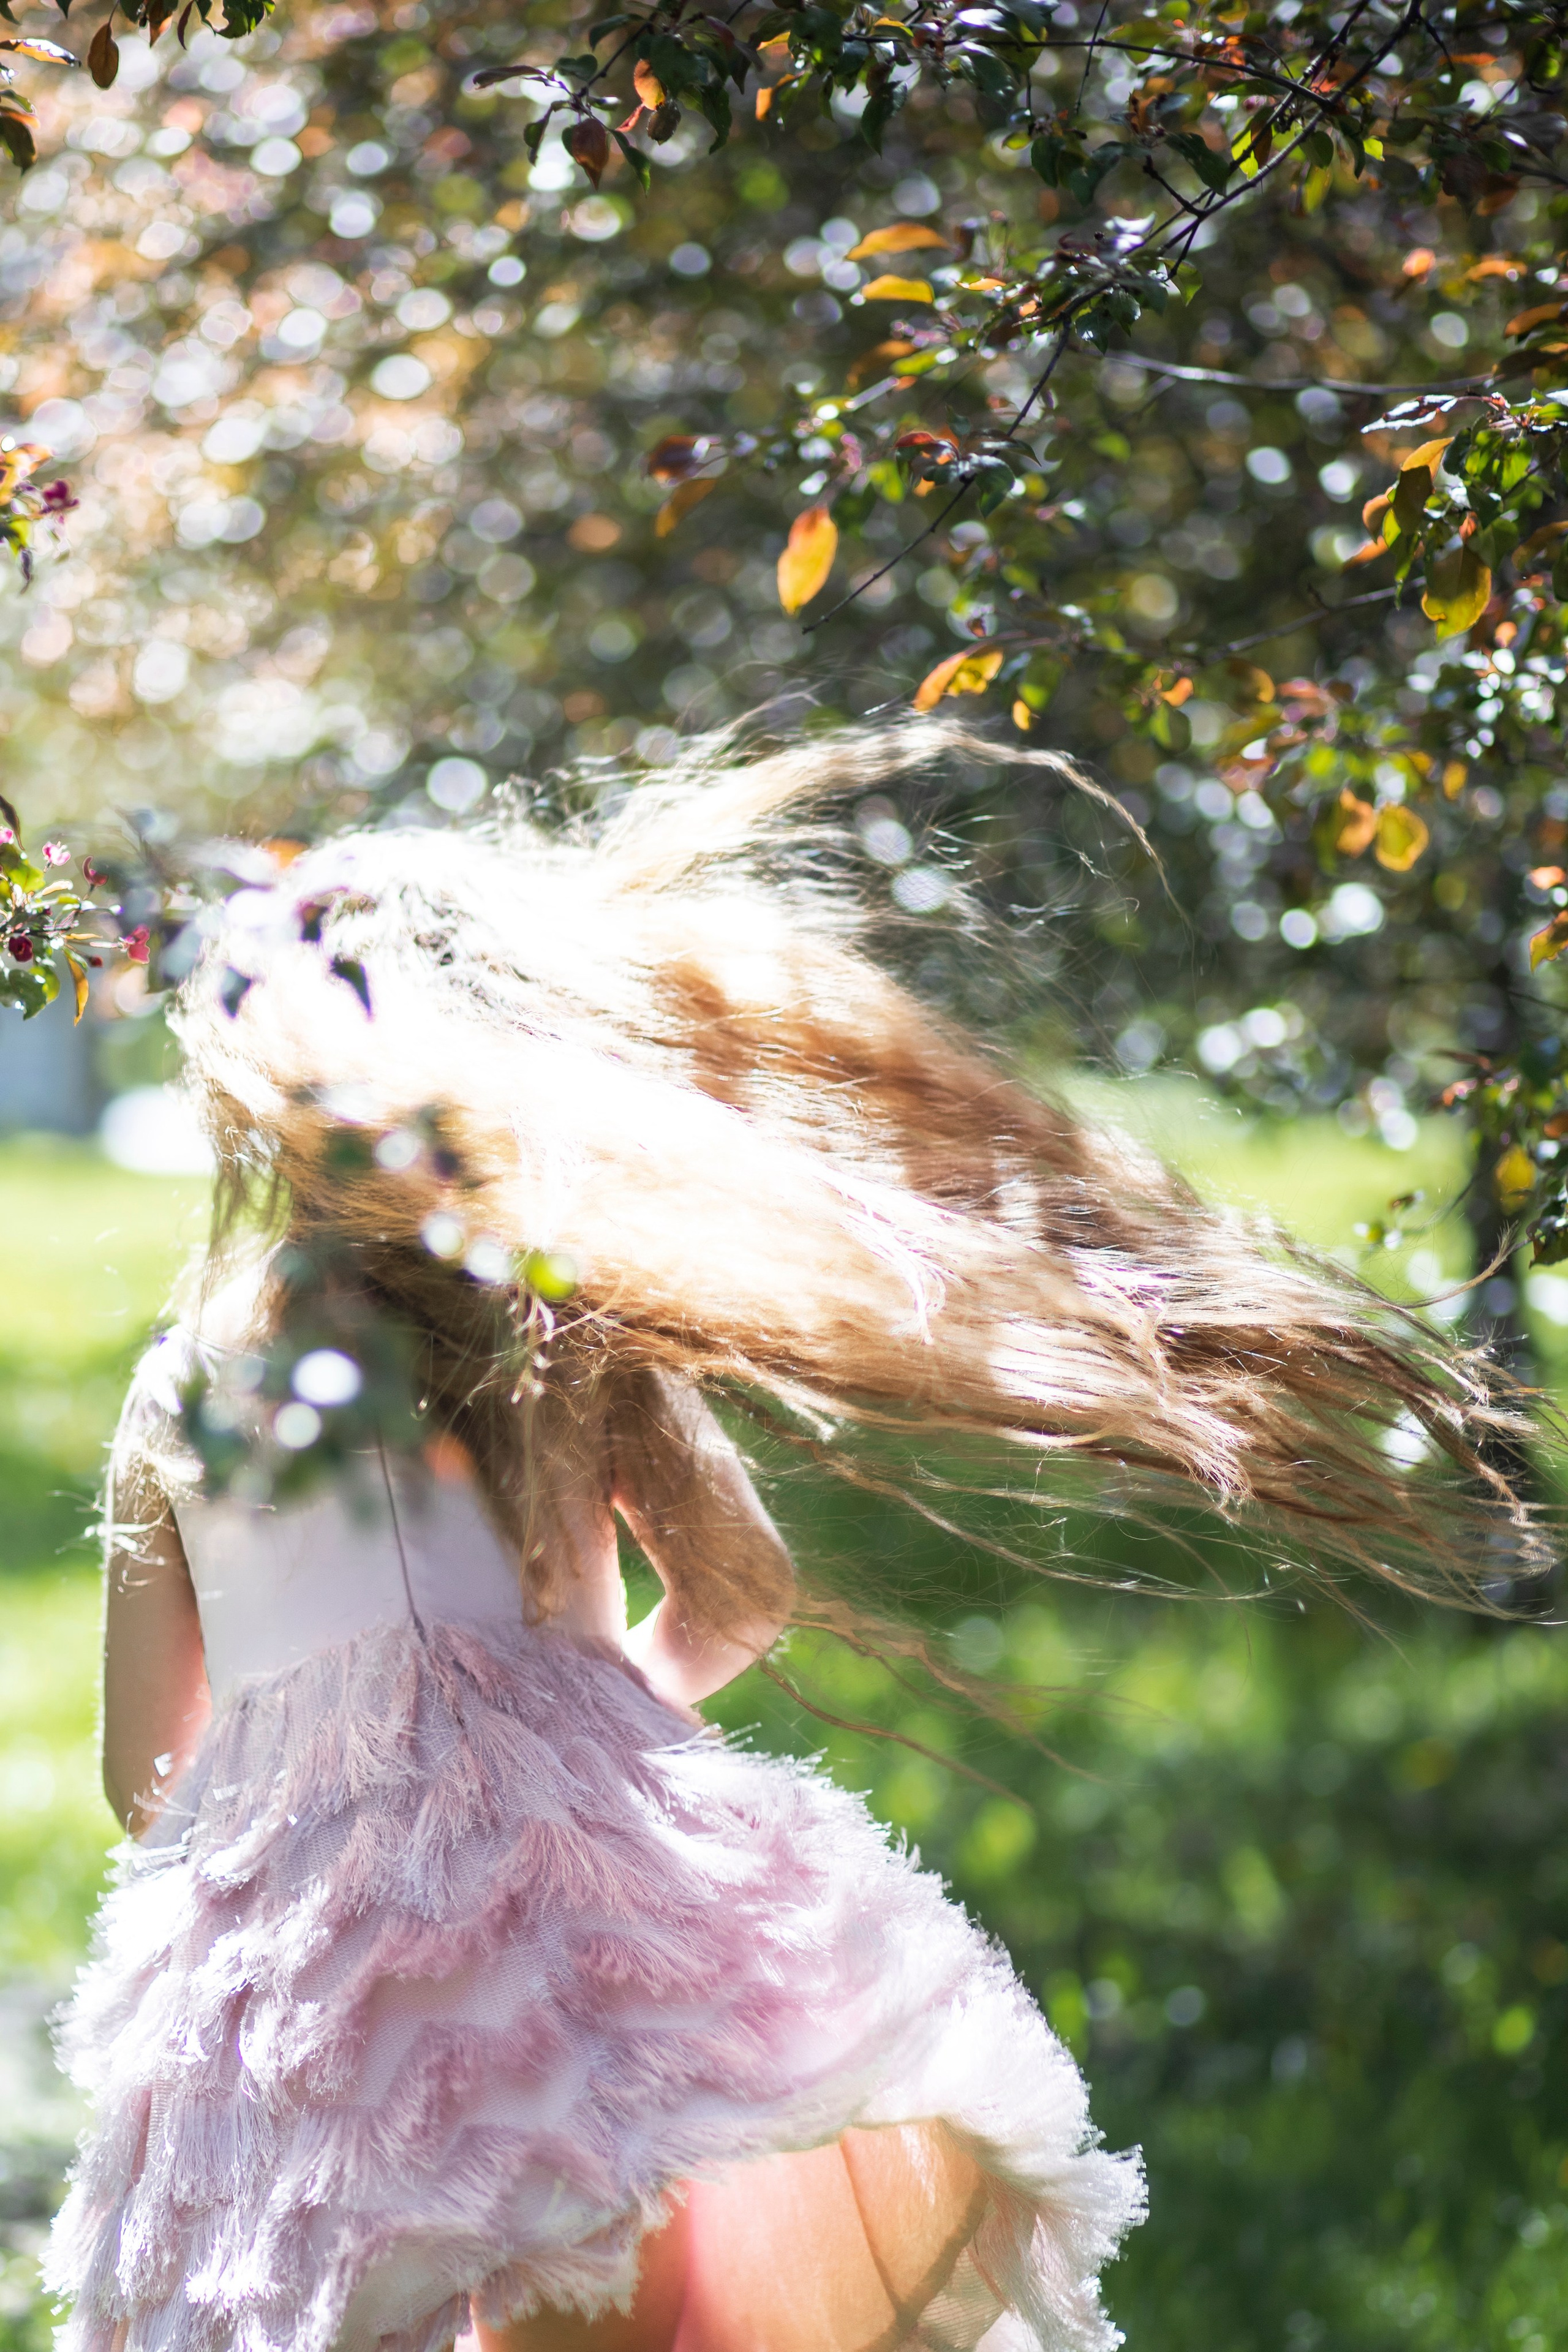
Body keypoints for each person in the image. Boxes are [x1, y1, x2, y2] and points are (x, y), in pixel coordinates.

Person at [47, 718, 1540, 2352]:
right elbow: (741, 1592)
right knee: (643, 2296)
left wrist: (321, 1813)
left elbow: (143, 1773)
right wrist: (568, 1749)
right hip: (582, 1945)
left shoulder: (182, 1391)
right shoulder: (559, 1338)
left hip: (314, 1986)